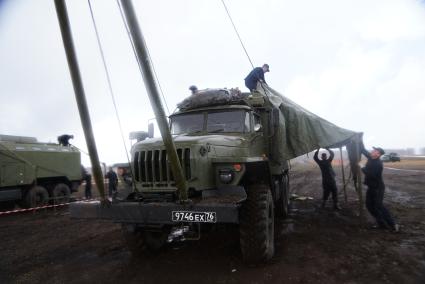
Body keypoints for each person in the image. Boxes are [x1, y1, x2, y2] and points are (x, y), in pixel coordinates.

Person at [361, 146, 399, 232]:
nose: (372, 151)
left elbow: (372, 175)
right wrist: (359, 139)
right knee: (369, 205)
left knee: (378, 206)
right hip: (371, 187)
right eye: (373, 150)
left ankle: (393, 224)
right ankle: (381, 223)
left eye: (374, 151)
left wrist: (362, 167)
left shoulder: (378, 164)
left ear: (378, 154)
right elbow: (363, 150)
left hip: (378, 188)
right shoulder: (371, 158)